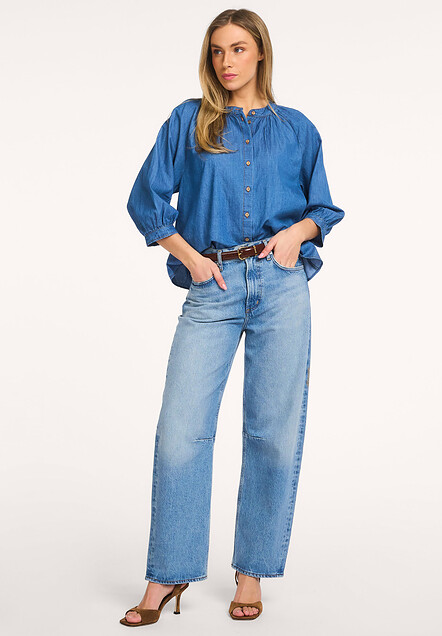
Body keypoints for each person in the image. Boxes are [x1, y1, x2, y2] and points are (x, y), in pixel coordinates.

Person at [119, 7, 345, 627]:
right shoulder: (189, 120)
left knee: (271, 432)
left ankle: (252, 572)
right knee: (181, 431)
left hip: (281, 286)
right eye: (217, 51)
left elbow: (324, 209)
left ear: (261, 53)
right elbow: (145, 198)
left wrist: (297, 234)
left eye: (239, 49)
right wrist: (191, 258)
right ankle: (168, 571)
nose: (226, 61)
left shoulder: (297, 129)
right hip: (212, 285)